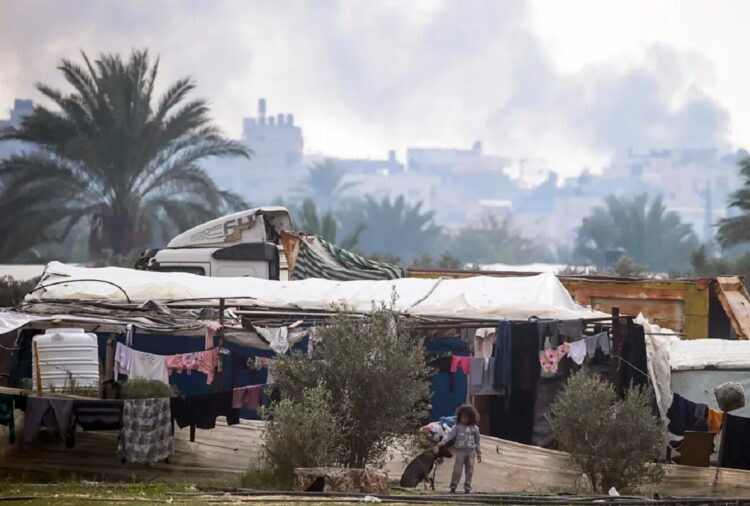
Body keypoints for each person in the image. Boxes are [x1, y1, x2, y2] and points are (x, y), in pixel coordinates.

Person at [437, 403, 482, 493]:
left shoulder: (475, 429)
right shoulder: (456, 427)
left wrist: (479, 453)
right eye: (462, 417)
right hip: (460, 452)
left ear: (471, 418)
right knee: (457, 470)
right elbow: (449, 435)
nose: (463, 419)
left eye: (466, 417)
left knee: (469, 471)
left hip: (471, 452)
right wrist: (443, 442)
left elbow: (477, 442)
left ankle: (467, 488)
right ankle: (453, 487)